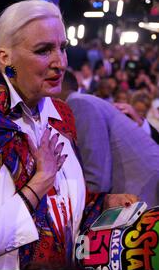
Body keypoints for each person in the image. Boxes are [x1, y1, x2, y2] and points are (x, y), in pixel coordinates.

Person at [0, 0, 137, 270]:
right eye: (43, 50)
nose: (60, 63)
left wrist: (100, 203)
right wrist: (39, 182)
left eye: (62, 48)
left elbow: (59, 210)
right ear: (6, 59)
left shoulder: (61, 114)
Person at [59, 71, 159, 207]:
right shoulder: (86, 101)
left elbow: (97, 178)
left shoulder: (78, 104)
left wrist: (81, 213)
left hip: (143, 198)